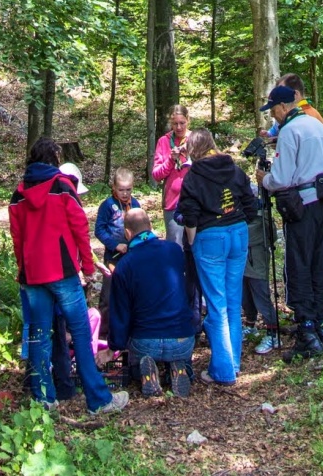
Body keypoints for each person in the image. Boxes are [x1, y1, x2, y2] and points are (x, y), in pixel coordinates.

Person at [9, 136, 129, 416]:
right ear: (54, 159)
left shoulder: (19, 193)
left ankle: (43, 400)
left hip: (33, 274)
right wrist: (87, 266)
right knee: (81, 332)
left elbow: (17, 237)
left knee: (39, 337)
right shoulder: (62, 186)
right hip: (62, 271)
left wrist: (22, 268)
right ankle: (98, 400)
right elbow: (79, 228)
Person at [257, 84, 323, 362]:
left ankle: (307, 331)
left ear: (283, 107)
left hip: (302, 203)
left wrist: (262, 179)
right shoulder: (317, 126)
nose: (273, 116)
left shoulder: (291, 131)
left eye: (273, 110)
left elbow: (282, 178)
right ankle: (322, 324)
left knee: (298, 263)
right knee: (318, 259)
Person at [178, 129, 257, 386]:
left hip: (210, 237)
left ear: (193, 150)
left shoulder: (194, 176)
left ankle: (223, 371)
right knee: (233, 302)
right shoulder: (233, 169)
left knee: (217, 304)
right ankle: (233, 362)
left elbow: (189, 214)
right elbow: (250, 203)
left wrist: (192, 240)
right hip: (238, 233)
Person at [107, 207, 198, 399]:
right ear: (150, 226)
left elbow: (120, 313)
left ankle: (143, 371)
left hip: (145, 340)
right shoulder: (174, 251)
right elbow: (189, 289)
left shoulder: (124, 266)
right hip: (182, 336)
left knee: (135, 362)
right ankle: (180, 365)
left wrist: (114, 346)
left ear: (127, 233)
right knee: (179, 351)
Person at [94, 167, 139, 338]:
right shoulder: (107, 205)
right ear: (114, 187)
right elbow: (99, 230)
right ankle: (104, 333)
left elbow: (140, 228)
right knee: (108, 294)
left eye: (128, 189)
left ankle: (130, 329)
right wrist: (114, 245)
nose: (125, 193)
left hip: (131, 256)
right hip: (112, 257)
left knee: (131, 293)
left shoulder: (135, 204)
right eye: (121, 189)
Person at [242, 177, 279, 354]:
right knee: (245, 293)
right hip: (244, 262)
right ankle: (250, 323)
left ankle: (273, 332)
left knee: (260, 294)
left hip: (256, 261)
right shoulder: (244, 213)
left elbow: (255, 235)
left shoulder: (260, 216)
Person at [151, 104, 192, 245]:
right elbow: (156, 175)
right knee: (176, 246)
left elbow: (207, 167)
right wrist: (171, 159)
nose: (179, 127)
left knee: (197, 247)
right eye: (175, 124)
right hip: (173, 203)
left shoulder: (195, 139)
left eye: (182, 123)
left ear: (188, 120)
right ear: (171, 123)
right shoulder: (164, 141)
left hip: (195, 200)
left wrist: (190, 156)